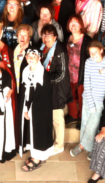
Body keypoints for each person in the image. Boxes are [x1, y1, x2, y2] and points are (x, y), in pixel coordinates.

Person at [19, 48, 55, 171]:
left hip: (39, 110)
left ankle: (38, 158)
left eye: (34, 56)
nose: (31, 58)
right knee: (32, 132)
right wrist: (25, 108)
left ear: (39, 58)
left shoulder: (43, 75)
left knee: (39, 132)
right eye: (29, 56)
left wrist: (29, 109)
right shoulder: (25, 71)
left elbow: (42, 96)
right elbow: (24, 91)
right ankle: (36, 154)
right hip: (29, 107)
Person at [39, 23, 70, 155]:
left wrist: (45, 80)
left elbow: (61, 74)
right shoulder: (43, 49)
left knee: (57, 118)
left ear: (55, 37)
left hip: (57, 90)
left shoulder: (60, 51)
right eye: (44, 35)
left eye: (49, 35)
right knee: (48, 116)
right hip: (47, 89)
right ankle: (50, 142)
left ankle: (59, 145)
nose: (46, 38)